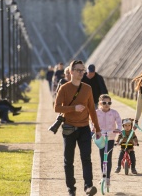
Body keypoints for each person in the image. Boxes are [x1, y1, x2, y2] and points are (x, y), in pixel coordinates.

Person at [54, 59, 101, 196]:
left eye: (83, 70)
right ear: (71, 71)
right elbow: (56, 108)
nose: (82, 72)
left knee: (86, 158)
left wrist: (97, 129)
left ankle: (88, 186)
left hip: (85, 128)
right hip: (69, 127)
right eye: (79, 70)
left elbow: (92, 109)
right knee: (68, 160)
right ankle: (71, 188)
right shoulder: (64, 88)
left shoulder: (87, 88)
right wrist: (73, 108)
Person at [91, 94, 121, 186]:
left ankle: (107, 178)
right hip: (101, 137)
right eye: (104, 103)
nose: (106, 104)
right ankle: (103, 176)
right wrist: (93, 129)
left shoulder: (114, 112)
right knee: (102, 157)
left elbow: (119, 121)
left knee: (108, 157)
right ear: (100, 103)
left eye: (109, 103)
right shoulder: (96, 112)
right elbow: (92, 122)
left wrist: (119, 129)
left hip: (111, 136)